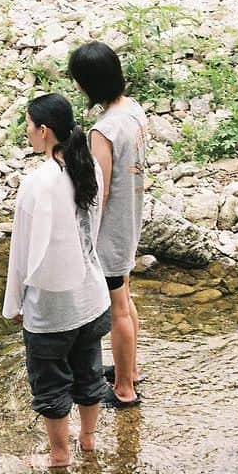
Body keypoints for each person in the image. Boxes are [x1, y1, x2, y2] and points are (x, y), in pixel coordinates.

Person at [3, 93, 112, 468]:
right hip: (93, 297)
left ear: (44, 130)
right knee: (88, 370)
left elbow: (22, 253)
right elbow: (90, 232)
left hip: (53, 309)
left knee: (51, 383)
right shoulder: (89, 166)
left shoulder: (37, 183)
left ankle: (59, 455)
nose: (27, 132)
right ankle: (88, 441)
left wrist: (14, 305)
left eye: (29, 125)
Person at [67, 41, 149, 409]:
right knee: (125, 298)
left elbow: (97, 191)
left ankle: (125, 390)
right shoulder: (132, 111)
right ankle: (127, 370)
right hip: (131, 218)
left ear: (88, 85)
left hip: (111, 230)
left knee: (117, 307)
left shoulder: (103, 130)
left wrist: (81, 237)